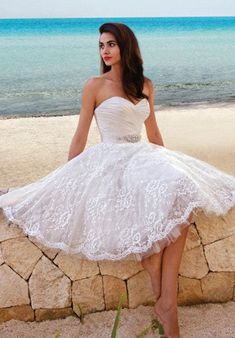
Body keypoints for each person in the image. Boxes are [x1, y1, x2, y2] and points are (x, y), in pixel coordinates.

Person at [0, 22, 235, 337]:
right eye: (101, 45)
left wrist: (167, 164)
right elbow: (81, 134)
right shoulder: (94, 86)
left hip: (143, 155)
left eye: (110, 44)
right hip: (111, 159)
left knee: (182, 194)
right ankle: (167, 304)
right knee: (162, 222)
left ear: (126, 46)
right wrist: (69, 174)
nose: (105, 51)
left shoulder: (146, 85)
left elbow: (153, 134)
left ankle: (166, 302)